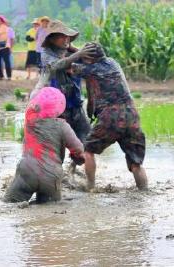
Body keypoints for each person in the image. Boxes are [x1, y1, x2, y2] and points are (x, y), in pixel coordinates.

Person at [71, 42, 148, 190]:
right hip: (131, 114)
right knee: (136, 162)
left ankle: (91, 187)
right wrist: (77, 50)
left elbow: (67, 67)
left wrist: (74, 53)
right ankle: (144, 192)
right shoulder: (113, 63)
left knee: (88, 150)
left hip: (110, 116)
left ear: (89, 59)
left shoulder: (90, 69)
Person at [4, 87, 85, 203]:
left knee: (10, 203)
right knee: (50, 210)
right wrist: (77, 155)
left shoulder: (30, 118)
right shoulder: (62, 126)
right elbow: (78, 148)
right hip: (51, 176)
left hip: (27, 170)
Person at [33, 20, 96, 143]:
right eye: (62, 36)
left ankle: (76, 162)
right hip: (56, 106)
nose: (66, 39)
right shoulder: (46, 54)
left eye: (67, 37)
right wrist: (77, 55)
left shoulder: (72, 52)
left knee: (87, 140)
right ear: (51, 39)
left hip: (75, 103)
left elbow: (90, 68)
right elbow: (56, 65)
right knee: (58, 142)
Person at [0, 15, 11, 80]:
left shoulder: (5, 27)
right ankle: (1, 76)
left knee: (7, 61)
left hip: (5, 46)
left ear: (2, 21)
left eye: (0, 20)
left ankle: (9, 76)